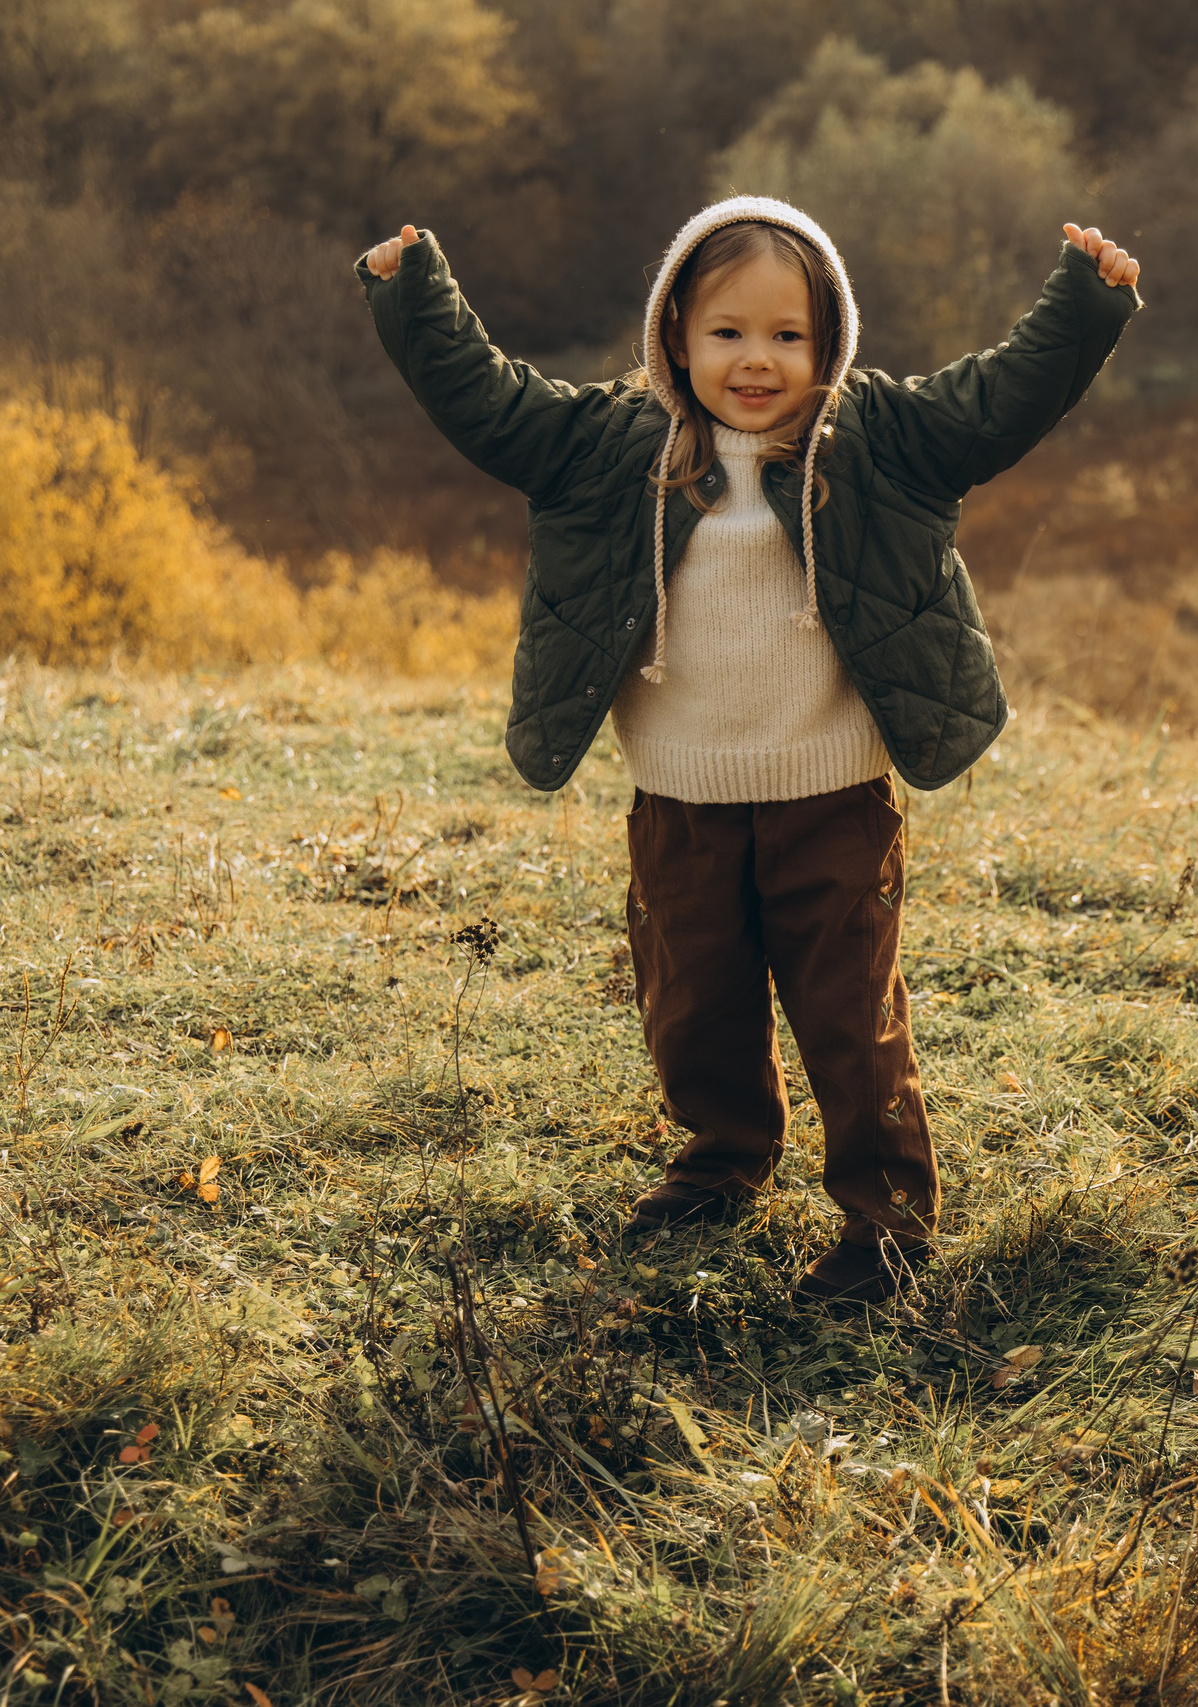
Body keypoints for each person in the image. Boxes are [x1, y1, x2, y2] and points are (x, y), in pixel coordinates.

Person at [357, 197, 1141, 1307]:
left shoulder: (879, 440)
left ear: (830, 345)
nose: (758, 360)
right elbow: (490, 405)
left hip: (832, 798)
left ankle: (885, 1220)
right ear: (675, 336)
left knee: (847, 1015)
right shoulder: (607, 447)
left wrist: (1083, 306)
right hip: (679, 798)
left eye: (789, 336)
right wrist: (416, 295)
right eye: (728, 333)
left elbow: (999, 401)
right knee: (693, 1005)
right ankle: (723, 1162)